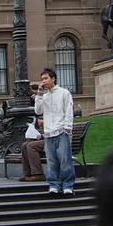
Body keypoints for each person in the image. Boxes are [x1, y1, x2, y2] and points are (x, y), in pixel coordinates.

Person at [36, 67, 76, 195]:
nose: (44, 81)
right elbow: (38, 111)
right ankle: (53, 185)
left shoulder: (64, 93)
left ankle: (67, 185)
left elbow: (69, 112)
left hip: (61, 131)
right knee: (52, 160)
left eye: (46, 78)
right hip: (48, 132)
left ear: (53, 79)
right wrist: (39, 94)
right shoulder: (44, 96)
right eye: (42, 79)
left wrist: (67, 129)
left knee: (65, 160)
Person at [20, 115, 46, 182]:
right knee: (24, 145)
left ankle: (38, 173)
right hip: (47, 138)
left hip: (55, 140)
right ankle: (28, 173)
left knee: (31, 146)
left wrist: (44, 123)